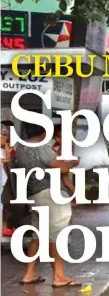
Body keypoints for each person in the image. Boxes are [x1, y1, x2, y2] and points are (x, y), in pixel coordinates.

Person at [14, 123, 81, 287]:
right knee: (57, 235)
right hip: (51, 194)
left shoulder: (21, 147)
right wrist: (72, 163)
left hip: (34, 194)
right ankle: (59, 276)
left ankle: (29, 274)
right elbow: (62, 168)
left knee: (37, 236)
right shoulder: (42, 148)